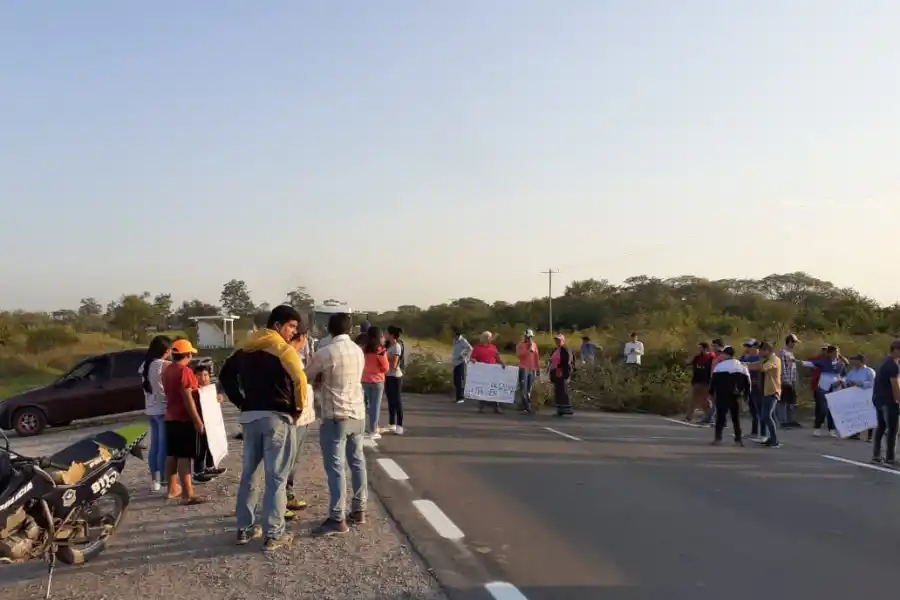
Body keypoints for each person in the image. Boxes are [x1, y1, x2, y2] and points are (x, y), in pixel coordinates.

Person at [219, 305, 308, 550]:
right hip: (276, 418)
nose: (293, 332)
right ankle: (274, 533)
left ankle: (244, 529)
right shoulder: (282, 350)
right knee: (276, 478)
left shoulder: (245, 347)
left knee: (249, 474)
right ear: (278, 325)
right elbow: (299, 380)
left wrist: (241, 402)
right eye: (291, 326)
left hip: (250, 418)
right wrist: (298, 409)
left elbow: (225, 375)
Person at [304, 312, 367, 535]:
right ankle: (359, 509)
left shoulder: (326, 352)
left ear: (329, 329)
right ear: (350, 329)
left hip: (335, 416)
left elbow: (306, 376)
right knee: (357, 461)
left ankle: (337, 517)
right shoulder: (358, 351)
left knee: (336, 468)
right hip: (357, 413)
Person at [161, 338, 208, 505]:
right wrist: (197, 420)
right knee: (184, 457)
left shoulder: (167, 370)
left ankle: (172, 489)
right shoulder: (185, 371)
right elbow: (188, 398)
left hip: (170, 417)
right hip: (183, 418)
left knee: (171, 455)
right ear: (187, 354)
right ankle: (188, 494)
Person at [285, 326, 316, 517]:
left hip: (302, 416)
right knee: (288, 460)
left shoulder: (292, 355)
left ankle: (287, 497)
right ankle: (282, 502)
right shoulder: (290, 357)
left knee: (292, 460)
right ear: (303, 337)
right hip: (296, 417)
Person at [140, 335, 171, 493]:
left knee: (155, 446)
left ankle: (155, 481)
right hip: (162, 409)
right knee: (163, 447)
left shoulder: (145, 364)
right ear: (165, 350)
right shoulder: (163, 364)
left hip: (151, 410)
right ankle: (165, 482)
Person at [799, 344, 848, 437]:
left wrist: (841, 381)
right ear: (829, 353)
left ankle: (832, 429)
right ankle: (817, 428)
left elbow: (845, 376)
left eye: (837, 352)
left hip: (835, 388)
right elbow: (811, 363)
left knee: (832, 410)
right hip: (823, 388)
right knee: (822, 409)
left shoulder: (841, 364)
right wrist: (798, 361)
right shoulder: (823, 362)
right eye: (834, 352)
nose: (836, 354)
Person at [192, 363, 227, 483]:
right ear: (195, 376)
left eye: (206, 375)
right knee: (200, 448)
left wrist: (219, 397)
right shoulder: (193, 391)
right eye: (200, 375)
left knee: (212, 444)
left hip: (211, 424)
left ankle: (210, 467)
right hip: (200, 424)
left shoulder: (211, 389)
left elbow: (217, 399)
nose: (203, 378)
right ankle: (198, 472)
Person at [709, 346, 750, 446]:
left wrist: (711, 393)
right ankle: (738, 439)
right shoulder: (741, 366)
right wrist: (746, 394)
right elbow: (748, 382)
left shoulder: (719, 367)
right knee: (735, 418)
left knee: (720, 417)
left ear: (727, 355)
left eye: (723, 353)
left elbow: (713, 382)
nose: (721, 355)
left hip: (722, 395)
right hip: (736, 396)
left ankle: (718, 438)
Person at [744, 341, 783, 448]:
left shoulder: (774, 359)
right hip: (765, 391)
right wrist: (745, 365)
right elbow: (757, 365)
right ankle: (771, 437)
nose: (759, 352)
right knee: (765, 415)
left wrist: (747, 366)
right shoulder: (765, 359)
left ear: (767, 350)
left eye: (761, 350)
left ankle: (774, 440)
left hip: (772, 391)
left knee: (766, 415)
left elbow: (763, 368)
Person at [871, 340, 900, 465]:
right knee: (892, 430)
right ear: (896, 349)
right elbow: (895, 385)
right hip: (889, 401)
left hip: (879, 399)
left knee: (881, 427)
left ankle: (876, 455)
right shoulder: (893, 365)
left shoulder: (882, 361)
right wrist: (898, 400)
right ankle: (890, 457)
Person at [361, 326, 389, 439]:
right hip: (377, 381)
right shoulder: (380, 350)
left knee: (364, 405)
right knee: (375, 406)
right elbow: (386, 368)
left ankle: (362, 428)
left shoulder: (363, 349)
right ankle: (373, 430)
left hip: (364, 380)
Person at [470, 331, 506, 414]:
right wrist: (473, 360)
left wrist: (502, 363)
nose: (491, 339)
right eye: (489, 337)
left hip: (492, 372)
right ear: (485, 338)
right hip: (482, 372)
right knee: (483, 388)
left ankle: (496, 407)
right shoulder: (477, 348)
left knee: (494, 389)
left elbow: (497, 358)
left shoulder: (493, 347)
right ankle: (481, 407)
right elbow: (472, 358)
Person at [843, 354, 876, 441]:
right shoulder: (852, 371)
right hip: (854, 394)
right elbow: (846, 380)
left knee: (868, 415)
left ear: (861, 361)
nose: (853, 363)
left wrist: (860, 383)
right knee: (856, 414)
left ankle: (870, 436)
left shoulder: (869, 371)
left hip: (866, 395)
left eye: (855, 361)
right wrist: (847, 383)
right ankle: (856, 433)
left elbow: (872, 383)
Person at [685, 342, 716, 423]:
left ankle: (709, 416)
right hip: (696, 381)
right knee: (693, 399)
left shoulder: (711, 357)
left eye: (700, 348)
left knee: (705, 400)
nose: (699, 349)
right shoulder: (697, 357)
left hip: (706, 381)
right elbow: (688, 363)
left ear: (705, 348)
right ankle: (688, 416)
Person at [739, 339, 763, 439]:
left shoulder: (759, 358)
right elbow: (739, 364)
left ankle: (762, 433)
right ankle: (754, 432)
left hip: (757, 386)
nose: (747, 348)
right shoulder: (745, 357)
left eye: (750, 346)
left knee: (758, 410)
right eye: (747, 346)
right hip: (748, 386)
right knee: (753, 410)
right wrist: (744, 355)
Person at [384, 326, 406, 434]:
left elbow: (394, 364)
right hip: (387, 376)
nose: (385, 335)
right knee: (390, 400)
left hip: (395, 377)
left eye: (387, 333)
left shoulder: (397, 347)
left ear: (392, 335)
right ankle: (391, 423)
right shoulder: (388, 346)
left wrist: (385, 359)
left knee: (397, 401)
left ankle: (400, 426)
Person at [777, 334, 802, 429]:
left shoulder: (790, 353)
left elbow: (793, 368)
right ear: (790, 341)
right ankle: (783, 421)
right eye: (794, 342)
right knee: (783, 401)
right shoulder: (783, 353)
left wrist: (794, 380)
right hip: (785, 380)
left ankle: (790, 420)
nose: (795, 344)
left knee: (791, 401)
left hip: (791, 380)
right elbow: (783, 368)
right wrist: (785, 380)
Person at [516, 329, 540, 413]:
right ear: (525, 336)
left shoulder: (534, 345)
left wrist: (538, 368)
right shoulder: (520, 345)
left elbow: (536, 357)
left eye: (531, 337)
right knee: (523, 388)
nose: (529, 338)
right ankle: (527, 406)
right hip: (523, 368)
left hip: (532, 368)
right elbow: (519, 355)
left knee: (529, 388)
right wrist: (528, 348)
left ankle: (524, 405)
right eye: (528, 337)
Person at [549, 334, 573, 416]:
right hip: (556, 372)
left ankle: (566, 409)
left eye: (559, 340)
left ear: (562, 340)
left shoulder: (565, 349)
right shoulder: (556, 349)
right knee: (558, 390)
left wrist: (565, 370)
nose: (557, 341)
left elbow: (568, 361)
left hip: (562, 372)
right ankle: (560, 410)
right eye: (556, 340)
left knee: (563, 390)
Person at [451, 328, 473, 404]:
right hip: (455, 362)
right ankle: (458, 397)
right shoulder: (454, 340)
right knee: (455, 381)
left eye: (453, 333)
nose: (452, 335)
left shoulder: (462, 340)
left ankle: (460, 398)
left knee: (460, 381)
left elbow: (469, 348)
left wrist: (462, 355)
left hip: (461, 362)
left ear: (457, 334)